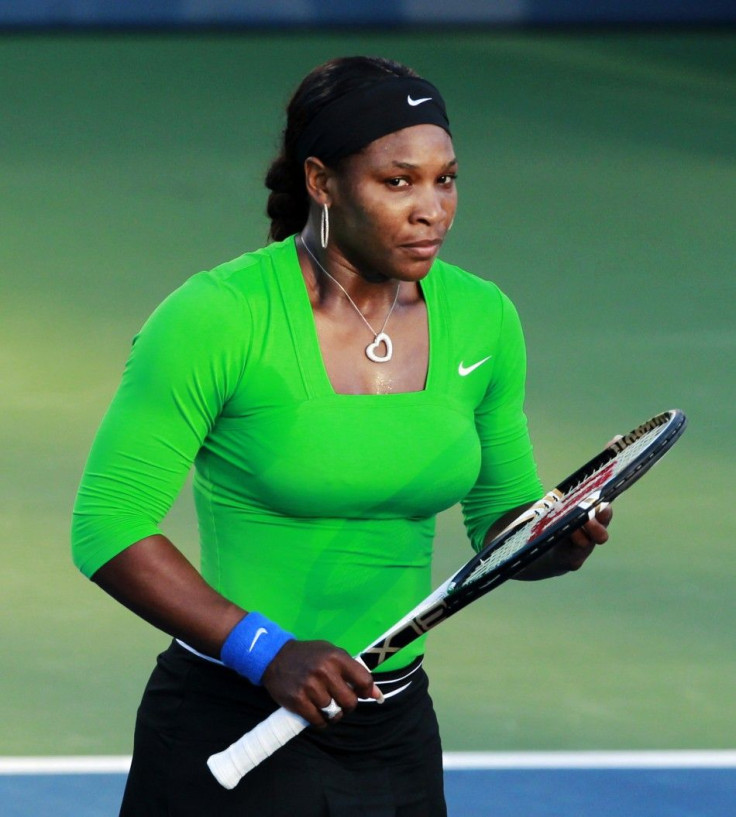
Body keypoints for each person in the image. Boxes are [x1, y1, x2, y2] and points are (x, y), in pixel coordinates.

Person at [71, 56, 612, 816]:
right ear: (322, 183)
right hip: (231, 718)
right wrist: (265, 649)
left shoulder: (486, 318)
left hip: (394, 733)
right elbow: (108, 526)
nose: (433, 209)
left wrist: (556, 542)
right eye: (398, 182)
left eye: (445, 179)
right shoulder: (215, 317)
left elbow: (503, 521)